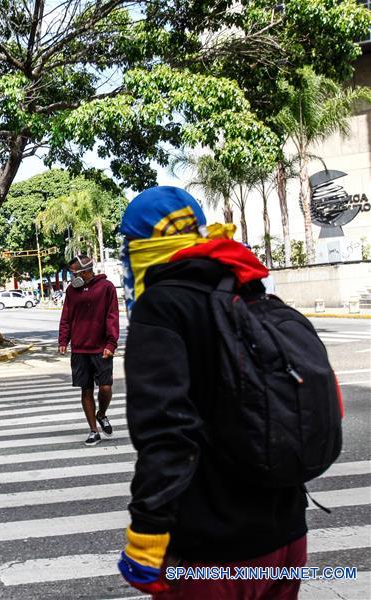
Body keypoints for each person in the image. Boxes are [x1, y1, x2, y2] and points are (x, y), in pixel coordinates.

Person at [116, 186, 309, 598]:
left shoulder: (163, 308)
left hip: (212, 554)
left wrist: (147, 536)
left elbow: (167, 434)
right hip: (286, 537)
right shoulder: (245, 286)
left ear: (142, 245)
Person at [57, 255, 119, 446]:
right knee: (86, 390)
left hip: (101, 348)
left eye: (74, 273)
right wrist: (63, 340)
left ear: (85, 271)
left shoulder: (106, 287)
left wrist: (111, 344)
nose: (71, 277)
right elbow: (66, 316)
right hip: (80, 349)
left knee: (106, 387)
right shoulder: (71, 291)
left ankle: (101, 413)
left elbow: (112, 316)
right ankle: (93, 431)